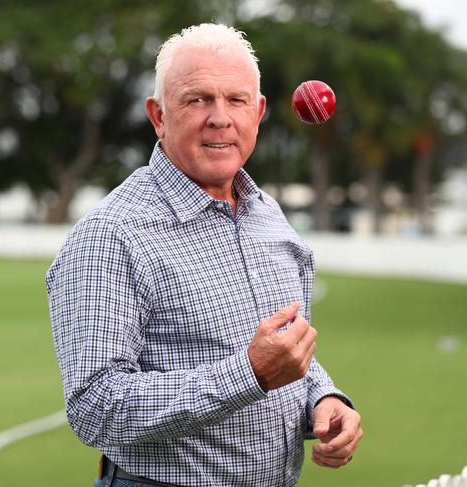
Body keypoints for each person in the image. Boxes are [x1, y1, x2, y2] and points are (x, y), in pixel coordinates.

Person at [46, 23, 362, 487]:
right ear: (158, 116)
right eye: (197, 100)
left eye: (236, 101)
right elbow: (96, 406)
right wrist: (248, 374)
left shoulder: (267, 215)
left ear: (257, 113)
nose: (220, 118)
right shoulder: (110, 235)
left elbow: (286, 351)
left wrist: (323, 398)